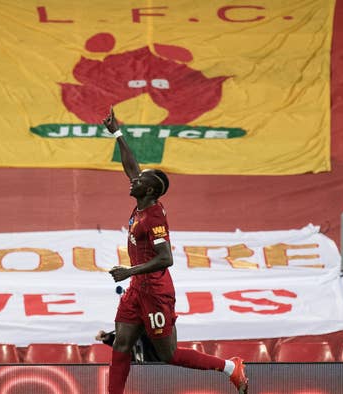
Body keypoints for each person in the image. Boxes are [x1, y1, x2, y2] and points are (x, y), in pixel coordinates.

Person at [102, 107, 248, 394]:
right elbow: (132, 168)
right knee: (121, 344)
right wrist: (117, 134)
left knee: (168, 354)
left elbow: (165, 258)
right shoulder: (142, 200)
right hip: (136, 289)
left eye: (141, 181)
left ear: (150, 192)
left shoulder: (154, 218)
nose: (134, 180)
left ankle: (230, 367)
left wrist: (128, 270)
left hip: (156, 291)